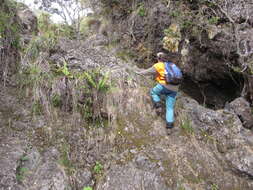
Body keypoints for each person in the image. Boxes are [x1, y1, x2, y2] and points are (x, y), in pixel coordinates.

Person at [136, 52, 180, 134]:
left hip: (164, 86)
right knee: (170, 108)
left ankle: (158, 106)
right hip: (175, 89)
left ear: (158, 58)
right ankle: (169, 128)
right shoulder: (172, 66)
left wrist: (138, 73)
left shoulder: (158, 65)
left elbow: (147, 72)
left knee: (153, 92)